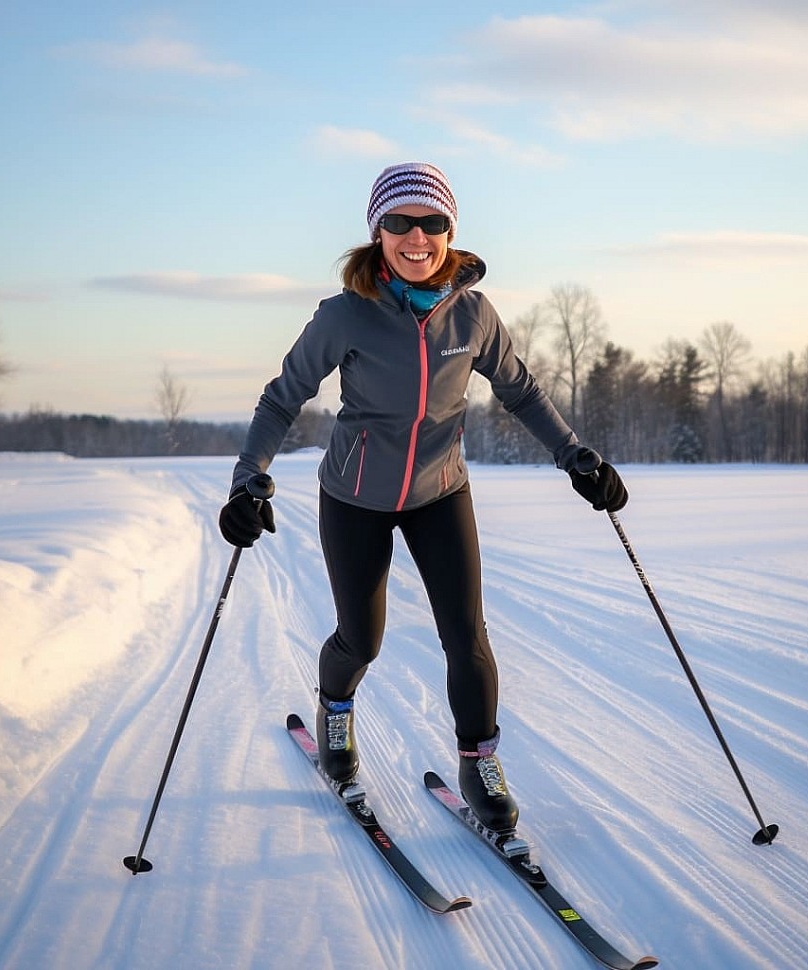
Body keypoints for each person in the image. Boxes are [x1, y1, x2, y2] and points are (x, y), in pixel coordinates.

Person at [219, 162, 628, 834]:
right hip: (354, 496)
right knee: (362, 639)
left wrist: (574, 454)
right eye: (400, 223)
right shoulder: (344, 315)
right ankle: (337, 713)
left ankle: (480, 761)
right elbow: (282, 396)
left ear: (451, 233)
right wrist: (246, 478)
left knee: (466, 637)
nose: (417, 237)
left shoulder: (472, 313)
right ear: (377, 234)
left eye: (432, 223)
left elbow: (520, 390)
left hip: (441, 491)